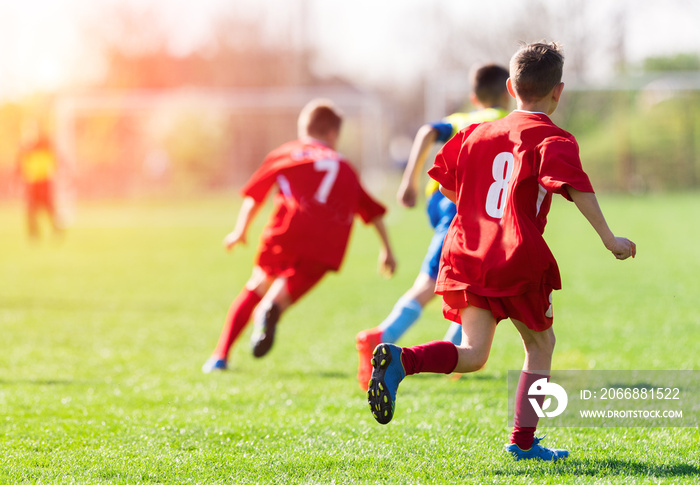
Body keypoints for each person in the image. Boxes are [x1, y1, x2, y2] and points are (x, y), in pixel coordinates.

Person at [366, 42, 636, 461]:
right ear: (558, 92)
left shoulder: (473, 133)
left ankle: (404, 360)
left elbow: (448, 183)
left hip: (468, 253)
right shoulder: (553, 137)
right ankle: (523, 443)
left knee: (472, 354)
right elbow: (577, 188)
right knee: (540, 345)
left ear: (511, 87)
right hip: (516, 256)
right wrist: (610, 238)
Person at [202, 98, 397, 373]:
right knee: (286, 289)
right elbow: (374, 212)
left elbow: (255, 196)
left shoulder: (287, 153)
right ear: (332, 134)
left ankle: (220, 356)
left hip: (286, 232)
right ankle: (271, 308)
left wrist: (240, 230)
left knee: (258, 284)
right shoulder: (344, 166)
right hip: (327, 242)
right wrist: (387, 249)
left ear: (304, 128)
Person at [355, 64, 511, 389]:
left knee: (472, 279)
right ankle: (381, 336)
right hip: (464, 205)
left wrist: (409, 181)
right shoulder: (503, 121)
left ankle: (455, 352)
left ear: (473, 97)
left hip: (441, 201)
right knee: (434, 281)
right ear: (509, 92)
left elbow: (427, 130)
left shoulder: (461, 119)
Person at [16, 128, 63, 240]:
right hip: (32, 184)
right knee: (31, 210)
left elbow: (53, 161)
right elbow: (21, 167)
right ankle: (33, 234)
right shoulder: (25, 149)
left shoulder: (45, 145)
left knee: (49, 209)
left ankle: (56, 230)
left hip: (44, 182)